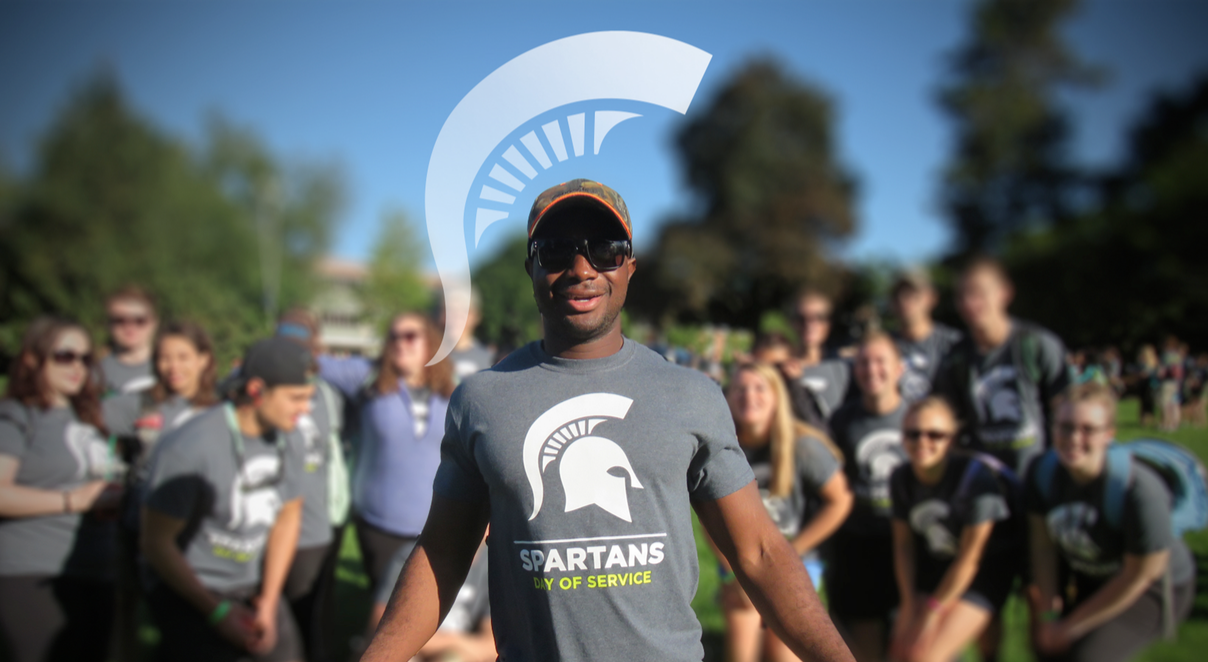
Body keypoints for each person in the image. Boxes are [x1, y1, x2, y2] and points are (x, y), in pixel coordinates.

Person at [361, 179, 853, 662]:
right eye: (555, 251)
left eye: (605, 249)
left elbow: (761, 552)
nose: (581, 268)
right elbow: (443, 556)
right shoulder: (482, 400)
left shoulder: (691, 395)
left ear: (630, 267)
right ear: (530, 266)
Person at [140, 337, 312, 662]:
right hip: (191, 589)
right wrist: (216, 613)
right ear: (257, 390)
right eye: (296, 398)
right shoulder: (190, 447)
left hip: (249, 585)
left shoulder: (290, 439)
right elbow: (155, 543)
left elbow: (288, 518)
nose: (305, 410)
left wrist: (270, 602)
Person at [1026, 383, 1195, 661]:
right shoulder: (1042, 473)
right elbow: (1042, 546)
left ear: (1109, 435)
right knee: (1048, 652)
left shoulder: (1140, 492)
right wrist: (1048, 613)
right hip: (1095, 576)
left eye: (1088, 429)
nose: (1074, 438)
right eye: (1065, 426)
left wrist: (1069, 626)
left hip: (1152, 587)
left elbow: (1139, 575)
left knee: (1087, 655)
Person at [316, 311, 455, 636]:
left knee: (430, 608)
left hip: (436, 523)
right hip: (380, 524)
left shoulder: (450, 391)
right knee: (389, 610)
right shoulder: (367, 380)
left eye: (410, 336)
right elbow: (310, 362)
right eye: (393, 336)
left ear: (431, 343)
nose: (399, 343)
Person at [0, 316, 124, 662]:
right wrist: (72, 501)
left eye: (86, 359)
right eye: (64, 356)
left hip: (95, 569)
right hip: (33, 571)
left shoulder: (86, 418)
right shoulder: (17, 416)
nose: (77, 367)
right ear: (31, 359)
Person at [720, 362, 853, 662]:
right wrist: (731, 568)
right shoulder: (722, 447)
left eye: (759, 388)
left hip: (797, 558)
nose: (749, 396)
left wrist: (794, 551)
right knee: (743, 626)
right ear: (727, 397)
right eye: (740, 388)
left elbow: (841, 499)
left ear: (777, 396)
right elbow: (708, 513)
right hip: (739, 559)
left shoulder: (802, 445)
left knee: (786, 648)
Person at [102, 319, 219, 660]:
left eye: (183, 357)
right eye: (165, 358)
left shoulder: (218, 408)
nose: (173, 367)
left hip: (194, 535)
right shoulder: (141, 404)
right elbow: (86, 415)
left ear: (204, 359)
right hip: (136, 528)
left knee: (184, 621)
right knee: (125, 613)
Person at [890, 396, 1022, 662]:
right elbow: (903, 545)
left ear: (951, 439)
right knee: (899, 655)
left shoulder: (977, 480)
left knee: (925, 656)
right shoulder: (901, 477)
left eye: (935, 435)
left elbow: (970, 558)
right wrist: (907, 605)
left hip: (982, 575)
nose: (922, 442)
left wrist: (930, 613)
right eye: (913, 434)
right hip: (936, 568)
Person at [932, 256, 1069, 476]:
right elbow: (950, 422)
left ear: (1004, 293)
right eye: (961, 296)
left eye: (978, 293)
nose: (969, 303)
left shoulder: (1037, 345)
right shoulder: (955, 358)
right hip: (984, 483)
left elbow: (1066, 410)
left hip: (1040, 477)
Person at [826, 332, 910, 662]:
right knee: (864, 637)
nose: (871, 370)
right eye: (863, 362)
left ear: (899, 369)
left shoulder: (917, 419)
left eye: (880, 361)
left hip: (908, 541)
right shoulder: (842, 419)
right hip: (856, 542)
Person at [276, 309, 349, 662]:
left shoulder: (326, 395)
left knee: (309, 618)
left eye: (303, 342)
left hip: (315, 529)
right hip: (265, 526)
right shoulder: (262, 390)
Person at [409, 534, 495, 662]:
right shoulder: (414, 556)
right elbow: (388, 632)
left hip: (456, 652)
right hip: (415, 652)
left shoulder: (494, 567)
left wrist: (453, 644)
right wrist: (458, 642)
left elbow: (491, 647)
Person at [781, 288, 852, 429]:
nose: (810, 325)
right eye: (802, 318)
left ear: (828, 324)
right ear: (792, 323)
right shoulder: (782, 368)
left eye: (819, 317)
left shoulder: (844, 368)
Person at [889, 268, 962, 404]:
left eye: (913, 294)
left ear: (932, 298)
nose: (904, 300)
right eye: (898, 294)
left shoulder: (953, 343)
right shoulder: (885, 346)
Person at [98, 286, 159, 395]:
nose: (130, 327)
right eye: (120, 320)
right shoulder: (95, 373)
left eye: (139, 320)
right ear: (108, 324)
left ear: (154, 323)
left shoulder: (172, 368)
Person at [438, 288, 496, 381]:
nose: (454, 318)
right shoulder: (428, 358)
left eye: (462, 311)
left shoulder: (490, 360)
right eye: (449, 310)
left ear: (475, 316)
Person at [1132, 345, 1160, 428]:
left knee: (1149, 403)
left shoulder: (1153, 362)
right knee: (1143, 403)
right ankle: (1144, 420)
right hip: (1143, 385)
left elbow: (1149, 373)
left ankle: (1150, 420)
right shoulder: (1142, 362)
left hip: (1150, 385)